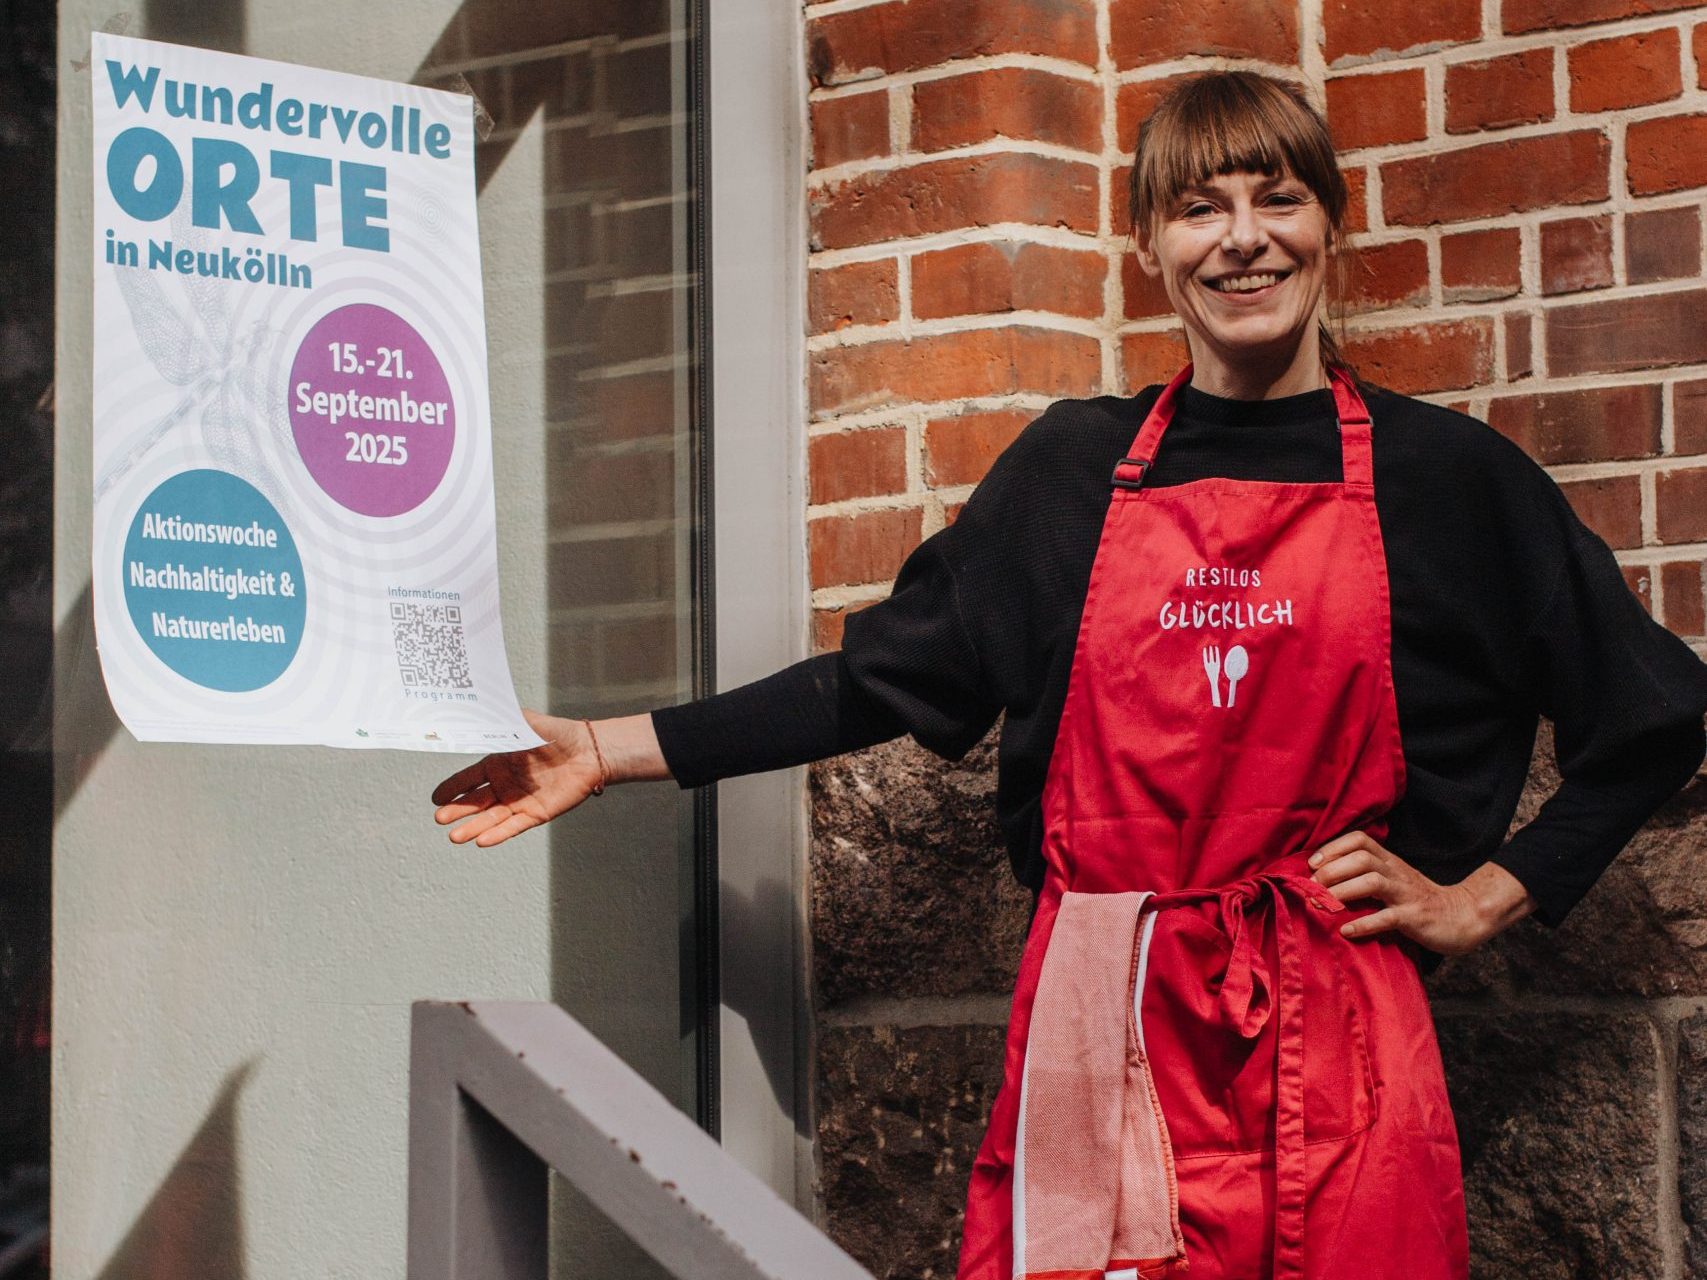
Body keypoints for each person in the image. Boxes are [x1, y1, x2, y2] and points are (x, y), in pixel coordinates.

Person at [431, 70, 1707, 1280]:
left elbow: (1656, 714)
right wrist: (609, 747)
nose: (1243, 238)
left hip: (1345, 1053)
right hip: (1105, 1030)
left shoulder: (1452, 483)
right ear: (1149, 245)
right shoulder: (1071, 473)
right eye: (1198, 207)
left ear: (1331, 222)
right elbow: (875, 678)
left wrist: (1483, 898)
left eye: (1278, 197)